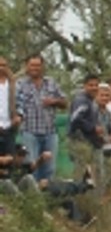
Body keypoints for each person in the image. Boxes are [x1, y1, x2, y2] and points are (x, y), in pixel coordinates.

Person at [16, 55, 66, 184]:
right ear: (27, 66)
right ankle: (33, 198)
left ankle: (48, 198)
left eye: (38, 65)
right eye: (32, 65)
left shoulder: (51, 82)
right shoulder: (20, 84)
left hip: (50, 132)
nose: (35, 68)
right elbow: (15, 106)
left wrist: (54, 101)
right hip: (29, 132)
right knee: (32, 167)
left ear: (42, 67)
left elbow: (65, 103)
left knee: (49, 168)